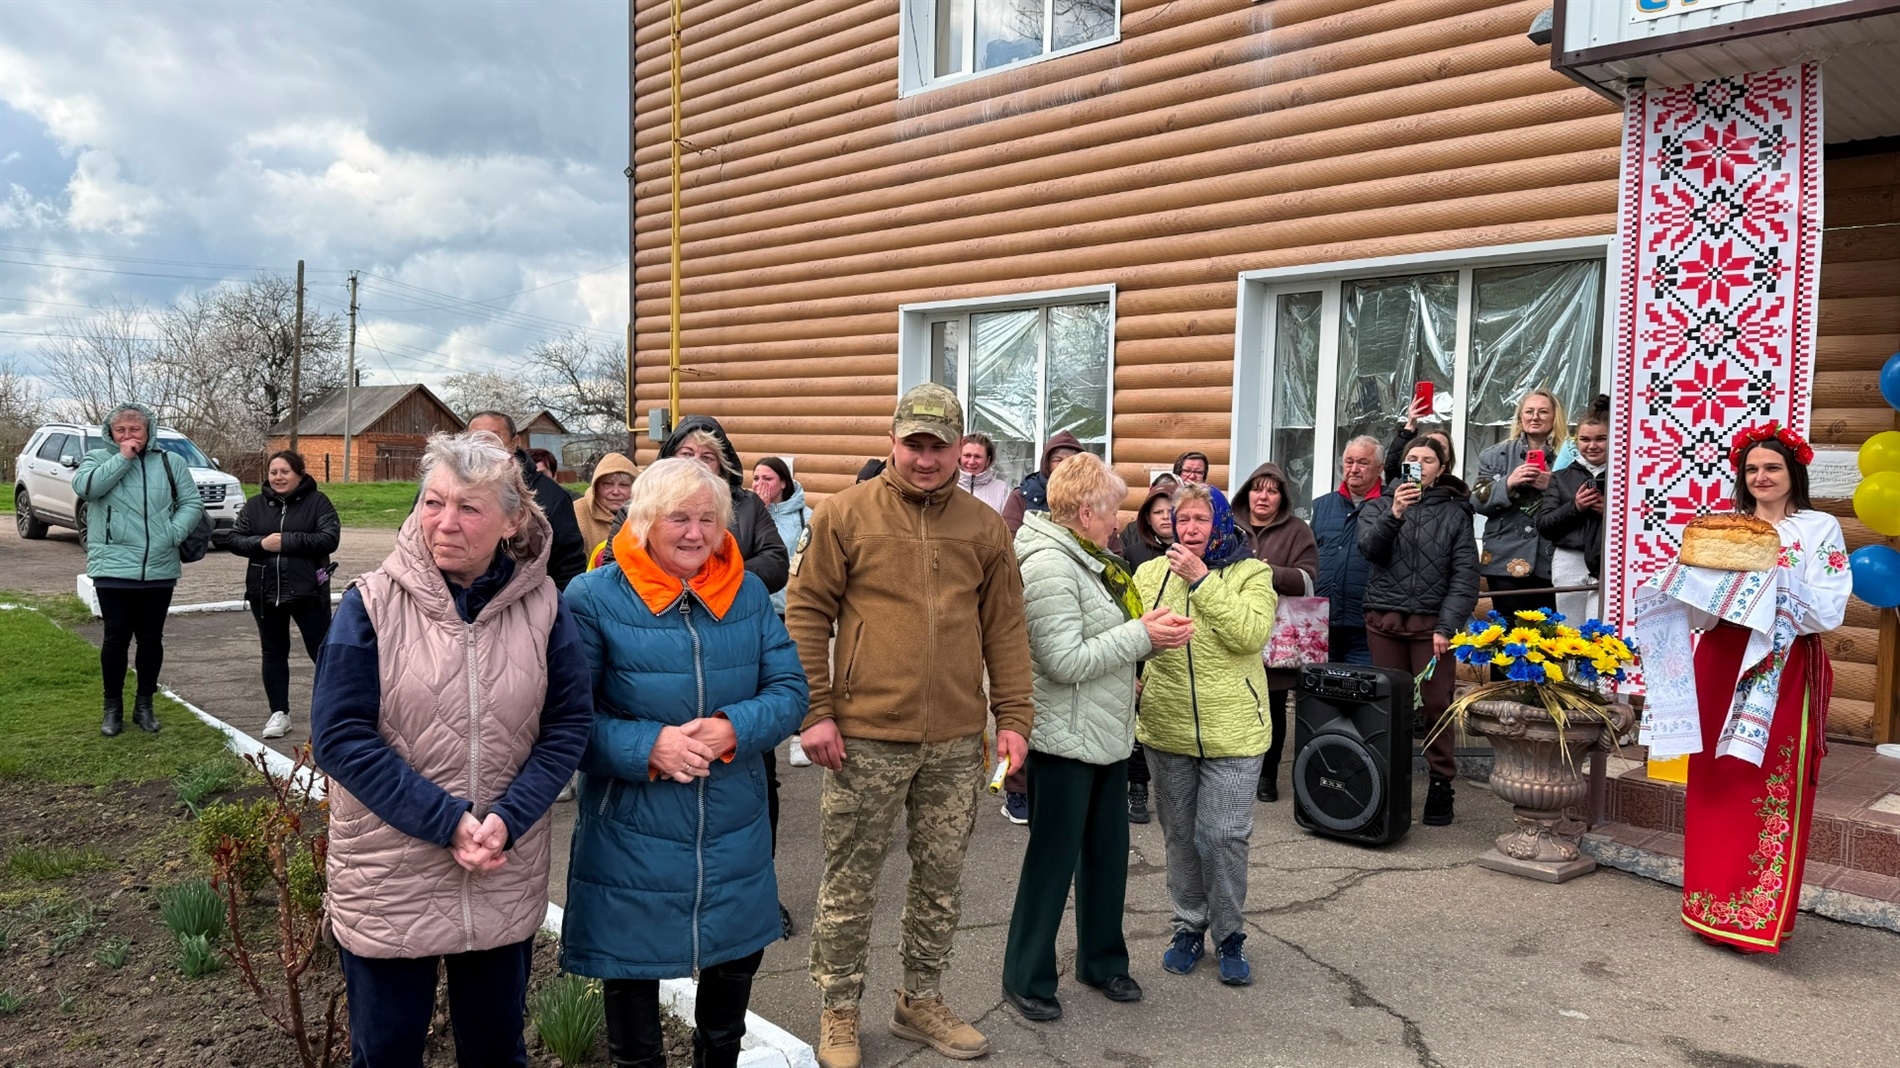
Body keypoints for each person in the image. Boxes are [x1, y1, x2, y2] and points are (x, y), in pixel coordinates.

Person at [311, 431, 592, 1068]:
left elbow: (569, 724)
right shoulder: (371, 604)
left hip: (500, 866)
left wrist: (506, 820)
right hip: (389, 874)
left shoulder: (543, 607)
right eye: (433, 502)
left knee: (496, 1051)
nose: (445, 523)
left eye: (469, 508)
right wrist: (447, 822)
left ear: (511, 520)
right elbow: (339, 736)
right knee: (385, 1053)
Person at [787, 383, 1035, 1068]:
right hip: (863, 735)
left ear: (961, 450)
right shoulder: (845, 516)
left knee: (941, 879)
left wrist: (1013, 717)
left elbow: (1006, 629)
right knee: (849, 880)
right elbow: (806, 615)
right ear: (893, 442)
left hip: (957, 741)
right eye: (914, 444)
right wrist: (815, 710)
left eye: (940, 446)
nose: (926, 459)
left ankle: (919, 999)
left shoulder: (985, 529)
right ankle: (838, 1009)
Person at [560, 458, 807, 1068]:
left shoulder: (747, 592)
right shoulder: (593, 597)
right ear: (643, 521)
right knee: (634, 1026)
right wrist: (650, 747)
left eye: (707, 519)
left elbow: (790, 691)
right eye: (679, 518)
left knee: (725, 1024)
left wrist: (733, 729)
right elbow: (564, 723)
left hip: (733, 829)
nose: (695, 533)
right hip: (631, 835)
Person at [1000, 454, 1192, 1022]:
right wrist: (1141, 636)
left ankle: (1103, 961)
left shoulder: (1086, 555)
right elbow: (1061, 660)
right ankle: (1026, 973)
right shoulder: (1048, 566)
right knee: (1052, 861)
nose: (1120, 523)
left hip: (1104, 731)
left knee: (1107, 855)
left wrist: (1143, 639)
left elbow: (1100, 639)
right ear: (1085, 512)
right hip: (1062, 741)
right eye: (1112, 511)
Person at [1681, 425, 1848, 954]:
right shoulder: (1726, 527)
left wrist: (1772, 574)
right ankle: (1708, 906)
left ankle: (1755, 917)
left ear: (1793, 472)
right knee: (1714, 774)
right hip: (1721, 657)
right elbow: (1700, 616)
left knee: (1765, 776)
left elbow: (1827, 610)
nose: (1761, 477)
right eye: (1752, 469)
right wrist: (1696, 578)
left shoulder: (1819, 529)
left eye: (1771, 468)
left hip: (1782, 661)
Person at [1133, 482, 1277, 987]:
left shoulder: (1252, 572)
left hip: (1235, 730)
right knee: (1179, 837)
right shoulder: (1149, 572)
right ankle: (1189, 927)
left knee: (1221, 837)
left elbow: (1250, 635)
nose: (1189, 529)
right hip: (1167, 728)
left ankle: (1231, 935)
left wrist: (1202, 581)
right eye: (1180, 519)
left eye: (1200, 520)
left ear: (1219, 522)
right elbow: (1135, 639)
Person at [1358, 436, 1480, 827]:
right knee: (1389, 706)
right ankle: (1386, 781)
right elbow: (1369, 550)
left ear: (1441, 469)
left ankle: (1441, 783)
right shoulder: (1379, 505)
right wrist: (1394, 513)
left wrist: (1447, 626)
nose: (1420, 465)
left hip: (1432, 630)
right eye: (1412, 458)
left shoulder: (1455, 515)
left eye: (1428, 460)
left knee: (1436, 705)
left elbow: (1465, 578)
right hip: (1385, 623)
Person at [72, 402, 206, 736]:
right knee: (115, 638)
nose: (129, 435)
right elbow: (86, 489)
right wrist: (123, 458)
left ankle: (144, 705)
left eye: (135, 430)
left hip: (159, 567)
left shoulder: (169, 461)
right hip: (113, 567)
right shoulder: (98, 459)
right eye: (121, 430)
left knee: (151, 638)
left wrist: (170, 534)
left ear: (149, 431)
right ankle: (111, 708)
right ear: (111, 432)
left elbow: (192, 504)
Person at [228, 450, 340, 740]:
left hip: (308, 591)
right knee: (273, 652)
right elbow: (235, 540)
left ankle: (338, 711)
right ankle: (279, 713)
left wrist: (286, 541)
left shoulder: (318, 503)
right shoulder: (254, 506)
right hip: (264, 592)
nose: (278, 477)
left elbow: (329, 538)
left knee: (323, 652)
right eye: (274, 472)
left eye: (285, 472)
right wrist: (262, 543)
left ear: (299, 474)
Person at [1234, 462, 1320, 804]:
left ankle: (1267, 777)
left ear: (1282, 497)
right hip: (1235, 629)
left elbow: (1309, 580)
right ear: (1247, 493)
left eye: (1272, 490)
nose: (1263, 496)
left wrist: (1269, 573)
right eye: (1258, 489)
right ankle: (1237, 772)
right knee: (1236, 705)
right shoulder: (1230, 526)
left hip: (1278, 637)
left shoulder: (1298, 530)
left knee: (1270, 706)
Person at [753, 454, 814, 930]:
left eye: (767, 478)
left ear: (785, 482)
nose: (759, 485)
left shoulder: (802, 518)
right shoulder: (744, 511)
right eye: (754, 477)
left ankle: (763, 894)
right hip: (750, 614)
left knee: (760, 776)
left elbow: (790, 564)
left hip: (783, 614)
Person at [655, 415, 789, 595]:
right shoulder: (644, 504)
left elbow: (776, 562)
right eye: (686, 454)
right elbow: (619, 564)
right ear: (670, 458)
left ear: (721, 465)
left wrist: (721, 578)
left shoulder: (749, 505)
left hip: (732, 611)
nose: (695, 464)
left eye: (707, 457)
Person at [1472, 391, 1567, 621]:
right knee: (1507, 631)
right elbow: (1476, 501)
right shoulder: (1495, 456)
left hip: (1553, 557)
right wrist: (1509, 482)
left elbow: (1584, 499)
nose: (1535, 417)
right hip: (1506, 557)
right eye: (1529, 411)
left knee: (1547, 635)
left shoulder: (1570, 455)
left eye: (1543, 411)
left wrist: (1552, 485)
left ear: (1555, 417)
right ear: (1520, 417)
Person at [467, 411, 588, 590]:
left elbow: (568, 567)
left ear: (515, 443)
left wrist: (556, 612)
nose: (484, 446)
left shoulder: (551, 497)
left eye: (493, 438)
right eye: (475, 439)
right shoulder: (443, 488)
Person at [1310, 436, 1383, 666]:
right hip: (1323, 622)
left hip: (1366, 624)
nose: (1353, 469)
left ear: (1380, 468)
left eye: (1362, 462)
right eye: (1349, 462)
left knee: (1361, 694)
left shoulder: (1389, 506)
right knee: (1320, 694)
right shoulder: (1322, 505)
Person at [1537, 396, 1610, 624]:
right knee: (1572, 635)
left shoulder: (1627, 477)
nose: (1592, 445)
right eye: (1585, 439)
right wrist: (1575, 507)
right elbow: (1545, 525)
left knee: (1600, 633)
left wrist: (1609, 513)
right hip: (1570, 560)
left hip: (1608, 560)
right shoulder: (1561, 477)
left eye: (1601, 439)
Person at [1003, 430, 1084, 534]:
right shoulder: (1020, 498)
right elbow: (1007, 541)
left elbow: (1108, 541)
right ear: (1046, 464)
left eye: (1071, 461)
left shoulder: (1092, 496)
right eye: (1058, 460)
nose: (1065, 466)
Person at [1382, 395, 1459, 485]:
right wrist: (1410, 425)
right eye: (1413, 459)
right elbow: (1392, 468)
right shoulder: (1402, 485)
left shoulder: (1456, 490)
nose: (1419, 464)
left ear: (1448, 456)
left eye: (1440, 447)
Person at [575, 451, 637, 559]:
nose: (616, 492)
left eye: (624, 485)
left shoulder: (645, 514)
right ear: (596, 487)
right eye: (608, 484)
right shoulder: (577, 513)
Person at [1118, 482, 1176, 571]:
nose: (1165, 517)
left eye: (1171, 511)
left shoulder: (1193, 550)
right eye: (1158, 512)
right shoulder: (1134, 553)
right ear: (1148, 518)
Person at [955, 432, 1010, 514]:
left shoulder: (1001, 489)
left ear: (988, 460)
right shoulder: (948, 486)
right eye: (967, 455)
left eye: (977, 457)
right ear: (959, 457)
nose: (971, 462)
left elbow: (1007, 524)